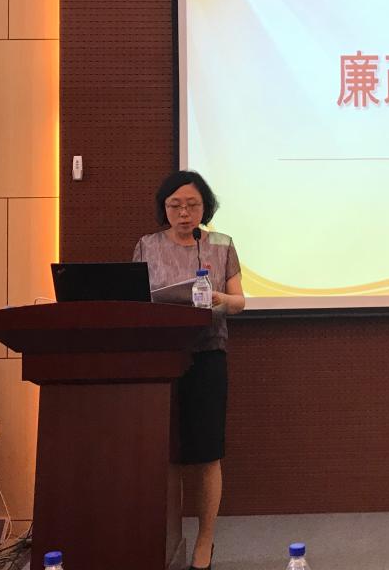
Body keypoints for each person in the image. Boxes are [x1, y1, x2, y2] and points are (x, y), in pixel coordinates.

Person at [133, 170, 245, 570]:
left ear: (205, 208)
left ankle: (205, 542)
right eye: (175, 205)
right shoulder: (147, 246)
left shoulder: (221, 245)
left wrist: (218, 298)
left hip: (207, 356)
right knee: (169, 454)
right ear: (164, 208)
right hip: (160, 361)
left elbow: (240, 302)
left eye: (192, 205)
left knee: (207, 454)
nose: (184, 213)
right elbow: (133, 303)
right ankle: (166, 539)